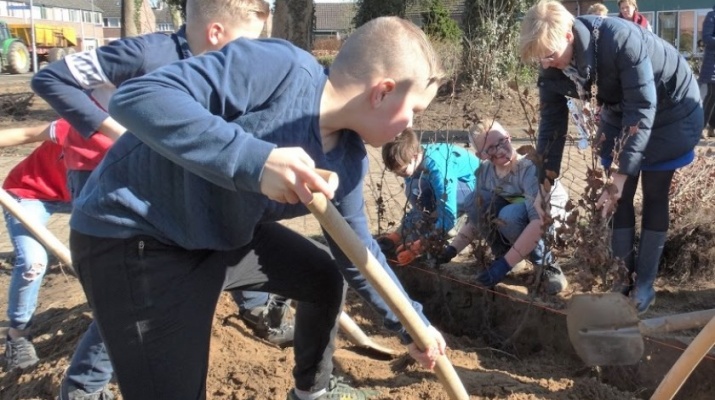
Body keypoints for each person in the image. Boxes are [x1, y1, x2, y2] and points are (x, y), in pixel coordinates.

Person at [63, 16, 445, 400]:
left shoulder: (348, 160)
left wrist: (412, 324)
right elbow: (138, 98)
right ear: (382, 91)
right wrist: (256, 160)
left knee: (323, 277)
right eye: (415, 110)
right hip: (135, 234)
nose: (412, 125)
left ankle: (311, 392)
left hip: (215, 238)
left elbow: (359, 252)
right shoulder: (279, 69)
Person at [31, 1, 292, 398]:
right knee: (132, 288)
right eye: (247, 46)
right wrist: (121, 132)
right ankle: (84, 388)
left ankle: (256, 307)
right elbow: (52, 78)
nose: (251, 58)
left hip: (162, 178)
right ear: (216, 33)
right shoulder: (145, 54)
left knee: (220, 235)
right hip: (105, 177)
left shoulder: (216, 72)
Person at [520, 1, 702, 313]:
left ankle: (644, 283)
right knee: (617, 198)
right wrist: (544, 185)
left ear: (568, 36)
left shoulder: (620, 40)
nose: (546, 64)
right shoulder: (552, 62)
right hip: (623, 109)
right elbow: (552, 124)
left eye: (549, 55)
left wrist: (619, 175)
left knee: (653, 192)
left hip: (671, 108)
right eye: (540, 58)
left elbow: (644, 108)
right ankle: (622, 280)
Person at [437, 119, 569, 294]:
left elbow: (540, 222)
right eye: (490, 148)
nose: (499, 150)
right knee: (474, 201)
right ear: (481, 155)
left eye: (501, 142)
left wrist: (503, 266)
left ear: (509, 137)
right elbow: (477, 220)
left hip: (551, 222)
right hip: (520, 218)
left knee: (510, 215)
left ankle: (546, 265)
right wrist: (451, 250)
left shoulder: (530, 169)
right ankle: (507, 255)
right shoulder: (485, 172)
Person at [1, 121, 72, 370]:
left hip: (84, 196)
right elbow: (25, 132)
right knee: (33, 262)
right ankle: (18, 336)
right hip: (30, 193)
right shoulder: (83, 123)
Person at [380, 128, 479, 266]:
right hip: (442, 189)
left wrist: (419, 247)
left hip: (472, 189)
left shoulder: (438, 169)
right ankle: (428, 231)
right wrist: (397, 235)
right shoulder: (410, 159)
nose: (399, 175)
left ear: (415, 156)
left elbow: (448, 215)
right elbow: (418, 205)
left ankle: (451, 229)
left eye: (402, 171)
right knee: (414, 189)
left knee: (425, 191)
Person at [699, 6, 715, 139]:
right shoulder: (712, 16)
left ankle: (712, 127)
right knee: (711, 95)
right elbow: (706, 38)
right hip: (712, 64)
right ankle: (701, 127)